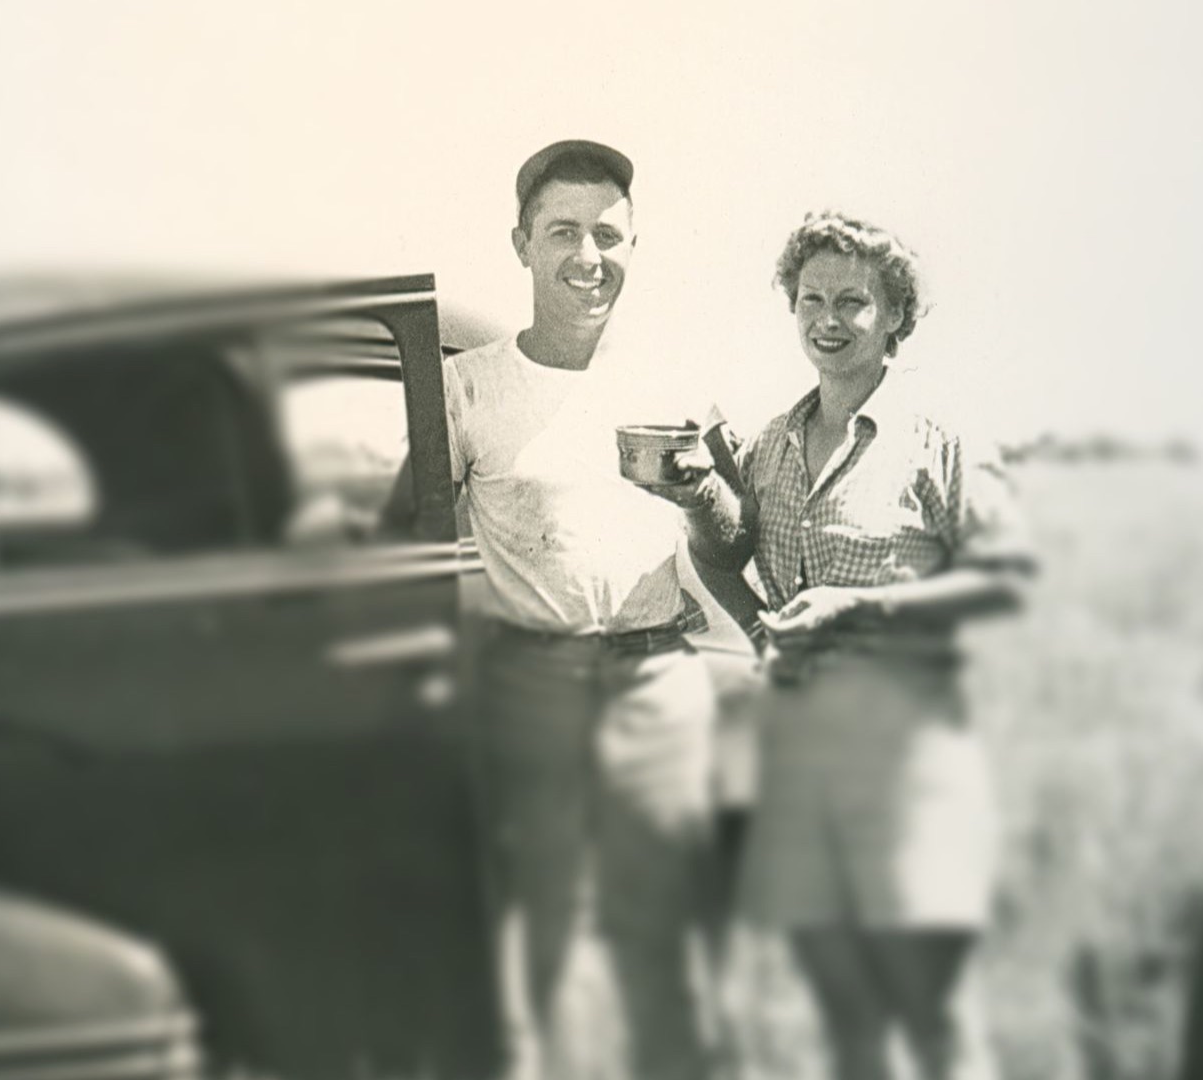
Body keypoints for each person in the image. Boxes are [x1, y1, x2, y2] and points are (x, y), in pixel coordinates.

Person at [670, 210, 1036, 1080]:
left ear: (896, 316)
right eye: (809, 300)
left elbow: (1008, 577)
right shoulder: (772, 442)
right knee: (845, 1012)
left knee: (933, 1009)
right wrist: (702, 513)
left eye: (852, 302)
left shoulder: (939, 437)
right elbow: (721, 553)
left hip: (909, 749)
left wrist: (855, 609)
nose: (827, 321)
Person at [436, 139, 733, 1080]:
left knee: (673, 952)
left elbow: (732, 541)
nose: (586, 256)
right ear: (521, 242)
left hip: (658, 678)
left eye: (608, 234)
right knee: (532, 952)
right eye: (562, 231)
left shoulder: (678, 378)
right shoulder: (467, 385)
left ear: (636, 245)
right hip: (531, 680)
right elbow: (401, 528)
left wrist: (700, 495)